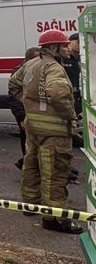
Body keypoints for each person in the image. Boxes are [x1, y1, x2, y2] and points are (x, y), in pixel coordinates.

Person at [8, 29, 83, 234]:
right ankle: (53, 218)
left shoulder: (31, 64)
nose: (68, 48)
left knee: (31, 165)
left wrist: (30, 107)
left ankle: (31, 205)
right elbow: (58, 95)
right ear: (53, 47)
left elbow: (13, 85)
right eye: (64, 45)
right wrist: (70, 116)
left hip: (34, 128)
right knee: (55, 173)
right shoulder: (54, 68)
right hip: (55, 131)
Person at [7, 47, 40, 170]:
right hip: (24, 113)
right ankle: (27, 165)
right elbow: (13, 97)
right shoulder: (19, 72)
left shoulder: (37, 70)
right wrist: (21, 117)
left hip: (35, 112)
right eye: (35, 59)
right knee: (26, 140)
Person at [62, 33, 81, 117]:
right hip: (67, 94)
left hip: (79, 94)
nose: (81, 44)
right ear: (70, 43)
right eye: (78, 42)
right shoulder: (64, 59)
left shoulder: (82, 58)